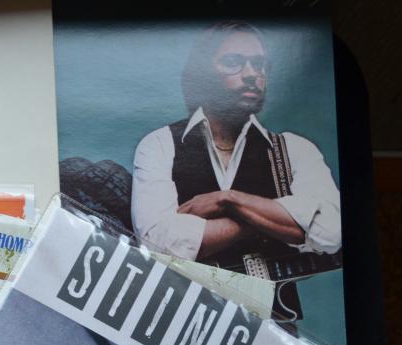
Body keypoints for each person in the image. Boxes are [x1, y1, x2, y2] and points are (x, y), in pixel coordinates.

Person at [130, 22, 341, 274]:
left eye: (259, 64)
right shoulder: (160, 145)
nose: (252, 74)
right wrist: (270, 222)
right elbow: (157, 245)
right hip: (188, 300)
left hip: (278, 301)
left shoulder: (296, 150)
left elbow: (332, 232)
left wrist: (228, 200)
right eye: (233, 62)